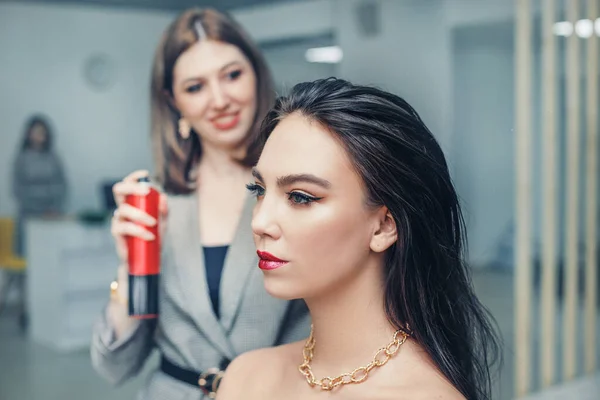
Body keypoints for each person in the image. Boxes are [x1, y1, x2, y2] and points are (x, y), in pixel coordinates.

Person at [217, 78, 501, 400]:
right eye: (259, 190)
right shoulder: (245, 378)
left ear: (383, 227)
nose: (260, 222)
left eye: (300, 197)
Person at [90, 8, 310, 400]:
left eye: (232, 75)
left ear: (256, 74)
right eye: (195, 87)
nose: (220, 99)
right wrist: (129, 269)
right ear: (173, 102)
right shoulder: (155, 202)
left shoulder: (303, 189)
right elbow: (114, 367)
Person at [12, 114, 67, 257]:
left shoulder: (53, 157)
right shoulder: (22, 159)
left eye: (42, 132)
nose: (39, 136)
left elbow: (62, 186)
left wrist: (53, 209)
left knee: (49, 256)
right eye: (36, 132)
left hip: (52, 217)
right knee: (29, 258)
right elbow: (18, 189)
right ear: (28, 134)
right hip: (29, 217)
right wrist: (38, 210)